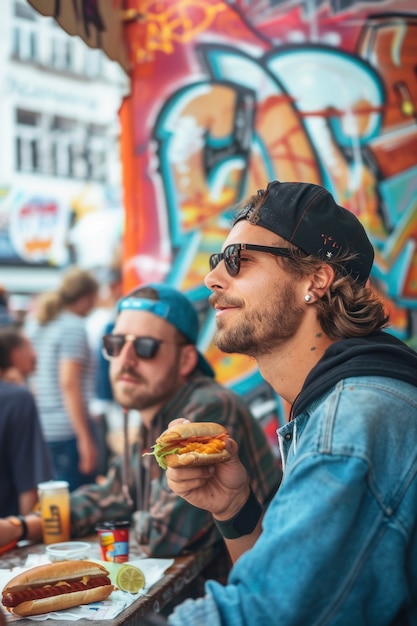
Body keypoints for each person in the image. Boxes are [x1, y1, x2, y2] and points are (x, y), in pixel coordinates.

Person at [159, 181, 417, 626]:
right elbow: (284, 587)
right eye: (217, 260)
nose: (212, 278)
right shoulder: (336, 402)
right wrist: (233, 507)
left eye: (239, 259)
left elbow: (260, 615)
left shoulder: (353, 422)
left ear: (315, 279)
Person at [0, 284, 281, 566]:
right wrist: (20, 526)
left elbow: (163, 535)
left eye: (146, 347)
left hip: (247, 589)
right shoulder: (153, 413)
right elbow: (108, 496)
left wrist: (130, 507)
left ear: (185, 360)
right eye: (116, 344)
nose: (125, 359)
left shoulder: (208, 408)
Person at [28, 266, 100, 491]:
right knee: (72, 502)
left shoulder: (39, 323)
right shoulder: (73, 327)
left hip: (42, 426)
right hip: (67, 429)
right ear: (87, 297)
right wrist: (85, 438)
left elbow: (33, 378)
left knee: (51, 501)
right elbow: (69, 383)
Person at [0, 378, 53, 517]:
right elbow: (30, 488)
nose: (34, 354)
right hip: (9, 532)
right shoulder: (18, 399)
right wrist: (22, 530)